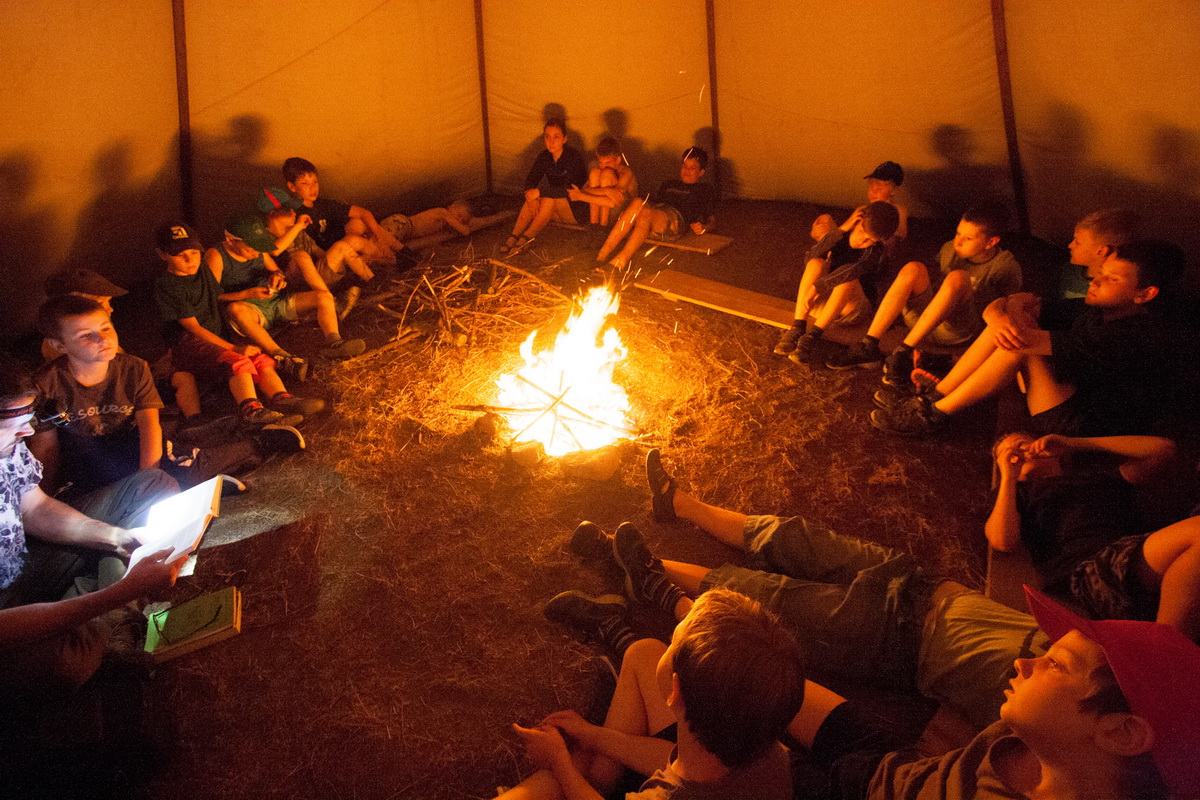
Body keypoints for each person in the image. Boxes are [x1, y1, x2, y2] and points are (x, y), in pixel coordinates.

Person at [793, 586, 1200, 800]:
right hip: (892, 773)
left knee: (758, 695)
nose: (1023, 663)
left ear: (1121, 733)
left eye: (1056, 665)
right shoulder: (1031, 739)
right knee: (777, 670)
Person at [500, 588, 803, 799]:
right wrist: (593, 735)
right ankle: (593, 778)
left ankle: (584, 779)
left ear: (675, 691)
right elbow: (677, 760)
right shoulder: (763, 749)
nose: (666, 643)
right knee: (642, 651)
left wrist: (560, 764)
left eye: (671, 642)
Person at [871, 239, 1184, 437]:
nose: (1095, 280)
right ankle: (934, 396)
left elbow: (1022, 330)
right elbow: (1010, 304)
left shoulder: (1136, 335)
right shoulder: (1098, 308)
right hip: (1068, 388)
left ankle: (934, 414)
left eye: (1111, 278)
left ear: (1145, 294)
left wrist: (1009, 311)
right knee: (1010, 329)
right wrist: (1000, 313)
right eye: (1101, 271)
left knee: (1016, 344)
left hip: (1083, 422)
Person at [0, 353, 180, 697]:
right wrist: (118, 595)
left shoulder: (8, 449)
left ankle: (98, 599)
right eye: (15, 424)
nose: (29, 431)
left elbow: (35, 508)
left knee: (152, 485)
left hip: (23, 564)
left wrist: (116, 537)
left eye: (29, 418)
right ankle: (111, 604)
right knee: (66, 664)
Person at [989, 432, 1200, 641]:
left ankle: (1164, 651)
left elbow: (1162, 451)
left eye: (1022, 444)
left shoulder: (1091, 477)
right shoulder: (1019, 495)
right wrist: (1008, 477)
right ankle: (1164, 652)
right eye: (1008, 453)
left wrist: (1072, 442)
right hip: (1085, 574)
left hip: (1138, 557)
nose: (1018, 452)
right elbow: (1002, 541)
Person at [154, 221, 321, 431]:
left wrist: (247, 294)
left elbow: (218, 295)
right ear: (162, 255)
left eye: (194, 253)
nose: (190, 260)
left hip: (214, 335)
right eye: (181, 256)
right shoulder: (169, 285)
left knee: (260, 359)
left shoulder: (201, 269)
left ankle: (282, 398)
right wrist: (233, 347)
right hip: (188, 344)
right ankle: (252, 411)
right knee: (237, 360)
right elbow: (193, 327)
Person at [826, 203, 1021, 383]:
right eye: (958, 233)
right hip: (923, 322)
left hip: (957, 330)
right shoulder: (949, 248)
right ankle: (869, 345)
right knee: (914, 268)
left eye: (968, 238)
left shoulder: (1004, 266)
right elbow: (929, 282)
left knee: (957, 277)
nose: (958, 242)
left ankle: (903, 352)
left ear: (991, 242)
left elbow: (1009, 304)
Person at [30, 295, 178, 525]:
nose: (103, 338)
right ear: (59, 345)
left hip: (131, 455)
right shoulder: (46, 384)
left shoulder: (134, 368)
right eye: (85, 335)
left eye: (106, 328)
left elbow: (149, 426)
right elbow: (47, 449)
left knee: (176, 481)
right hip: (84, 468)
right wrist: (43, 504)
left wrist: (148, 478)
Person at [207, 211, 364, 373]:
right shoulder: (216, 255)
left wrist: (277, 277)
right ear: (230, 240)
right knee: (236, 309)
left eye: (258, 249)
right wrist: (246, 294)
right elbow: (212, 296)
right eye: (249, 250)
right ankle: (283, 358)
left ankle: (334, 343)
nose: (255, 253)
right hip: (251, 310)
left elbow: (276, 270)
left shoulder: (257, 248)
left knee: (323, 296)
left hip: (275, 300)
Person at [774, 201, 901, 365]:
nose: (862, 240)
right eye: (861, 231)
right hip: (824, 304)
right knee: (815, 263)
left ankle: (812, 337)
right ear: (857, 221)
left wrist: (817, 287)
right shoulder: (841, 236)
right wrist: (841, 229)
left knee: (848, 281)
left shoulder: (874, 252)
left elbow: (850, 271)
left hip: (851, 311)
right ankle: (798, 327)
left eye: (870, 239)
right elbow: (811, 257)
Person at [595, 147, 717, 270]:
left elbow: (712, 221)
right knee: (638, 202)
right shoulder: (669, 184)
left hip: (676, 219)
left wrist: (704, 228)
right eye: (684, 166)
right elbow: (655, 203)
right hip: (659, 210)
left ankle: (620, 262)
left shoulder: (704, 189)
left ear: (701, 172)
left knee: (646, 213)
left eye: (692, 168)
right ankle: (601, 256)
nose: (686, 171)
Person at [282, 156, 413, 267]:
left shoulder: (321, 204)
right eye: (305, 183)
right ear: (292, 187)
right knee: (352, 241)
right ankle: (395, 261)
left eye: (315, 181)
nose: (313, 188)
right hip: (331, 256)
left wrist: (381, 240)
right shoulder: (293, 214)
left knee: (358, 222)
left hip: (344, 243)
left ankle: (402, 250)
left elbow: (363, 213)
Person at [258, 186, 376, 298]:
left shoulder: (295, 231)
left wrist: (341, 260)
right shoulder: (263, 235)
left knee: (341, 246)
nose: (294, 213)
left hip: (317, 275)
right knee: (301, 256)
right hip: (296, 286)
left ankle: (373, 282)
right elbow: (275, 250)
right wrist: (298, 226)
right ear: (272, 214)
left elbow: (316, 251)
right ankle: (328, 298)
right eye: (288, 210)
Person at [501, 118, 589, 256]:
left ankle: (527, 237)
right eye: (547, 137)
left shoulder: (573, 157)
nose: (551, 141)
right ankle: (514, 236)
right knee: (534, 196)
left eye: (556, 137)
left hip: (575, 211)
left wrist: (539, 192)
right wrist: (531, 197)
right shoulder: (544, 156)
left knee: (546, 197)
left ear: (564, 139)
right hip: (554, 210)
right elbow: (531, 180)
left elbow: (570, 190)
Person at [39, 268, 128, 362]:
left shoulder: (100, 334)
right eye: (100, 303)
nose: (110, 309)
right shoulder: (64, 347)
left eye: (108, 301)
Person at [810, 160, 908, 244]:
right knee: (825, 220)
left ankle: (826, 245)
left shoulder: (897, 210)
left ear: (893, 190)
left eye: (880, 188)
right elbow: (844, 233)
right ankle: (824, 244)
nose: (873, 191)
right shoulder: (863, 210)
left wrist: (877, 225)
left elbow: (900, 233)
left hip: (868, 250)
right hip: (849, 245)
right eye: (871, 186)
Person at [568, 136, 639, 226]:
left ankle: (603, 225)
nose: (603, 166)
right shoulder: (598, 168)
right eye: (601, 162)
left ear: (618, 160)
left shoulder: (626, 173)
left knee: (607, 174)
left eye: (607, 162)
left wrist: (581, 196)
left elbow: (612, 202)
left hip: (621, 213)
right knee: (594, 173)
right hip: (603, 204)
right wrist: (606, 191)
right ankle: (594, 224)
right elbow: (584, 189)